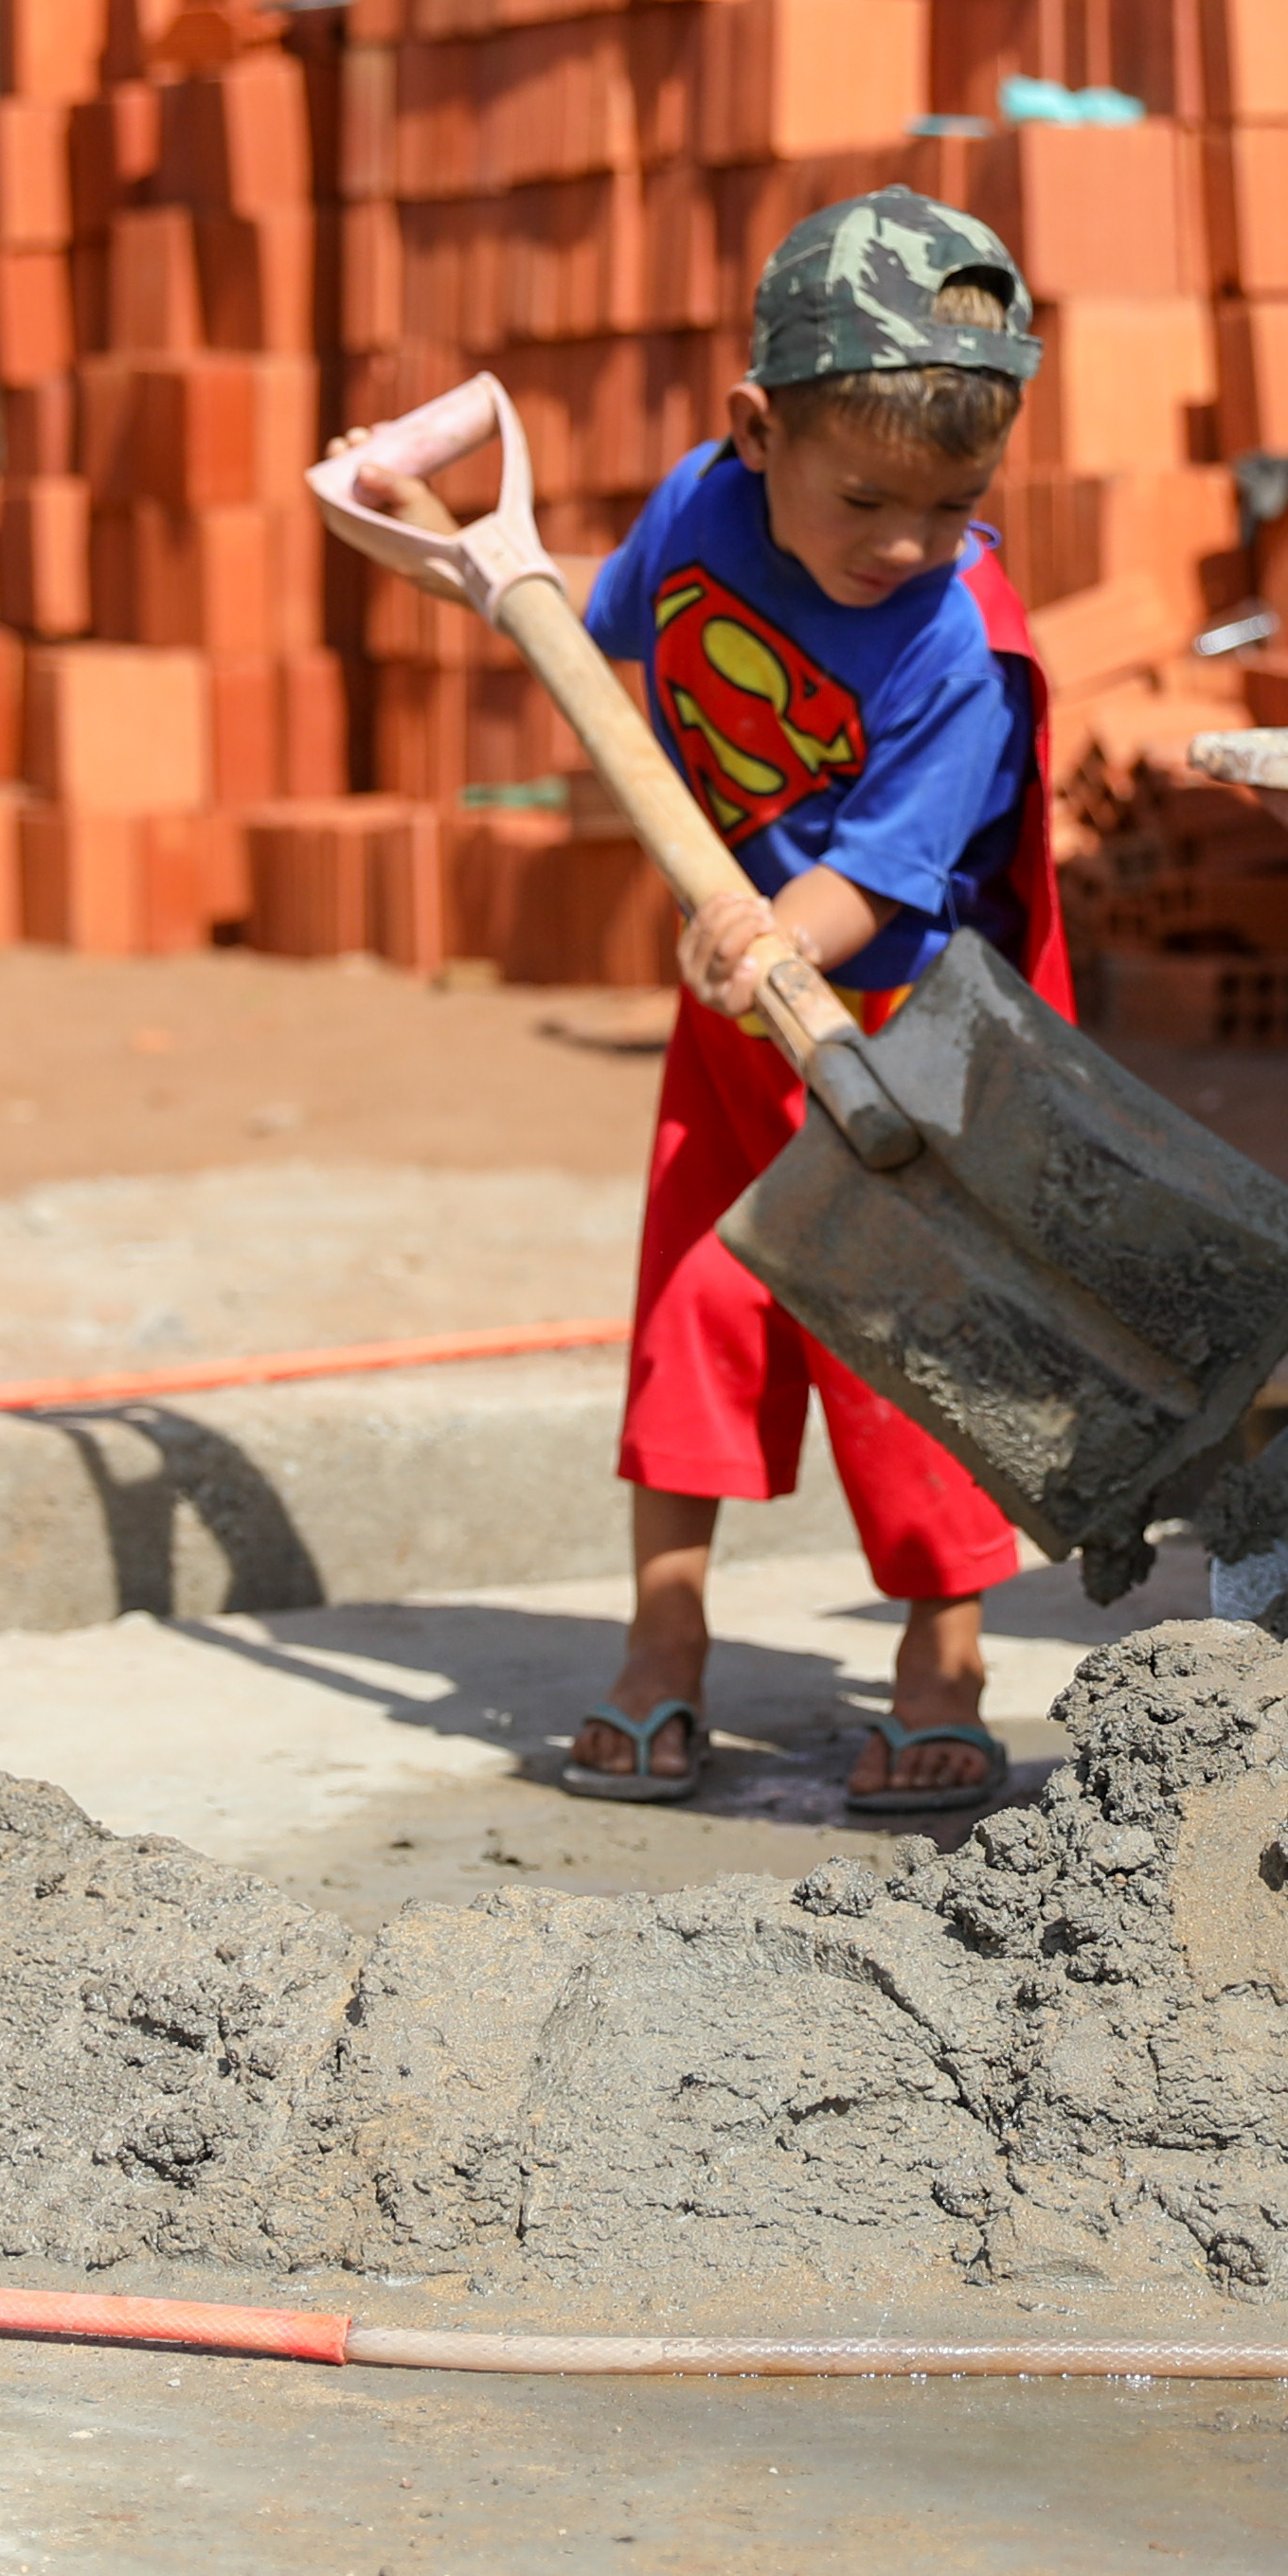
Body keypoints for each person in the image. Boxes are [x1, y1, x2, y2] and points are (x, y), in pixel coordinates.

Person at [345, 197, 1067, 1816]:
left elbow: (886, 872)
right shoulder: (697, 513)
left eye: (953, 506)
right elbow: (575, 630)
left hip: (902, 1035)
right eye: (865, 498)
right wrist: (418, 526)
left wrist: (765, 934)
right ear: (755, 432)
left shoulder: (959, 645)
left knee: (906, 1357)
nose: (905, 542)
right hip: (743, 1020)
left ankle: (942, 1664)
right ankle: (662, 1644)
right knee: (694, 1313)